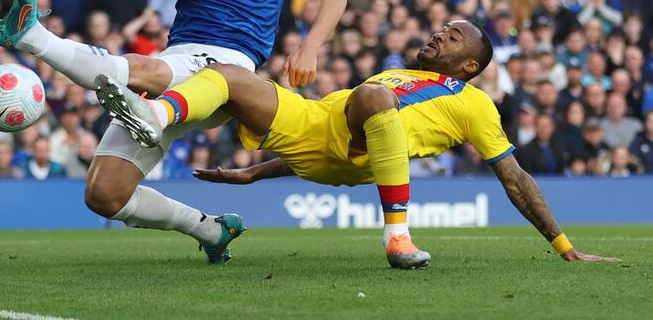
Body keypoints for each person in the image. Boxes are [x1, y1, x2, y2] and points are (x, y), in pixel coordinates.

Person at [0, 0, 346, 263]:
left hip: (230, 71)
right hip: (180, 59)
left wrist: (309, 47)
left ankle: (32, 35)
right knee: (104, 195)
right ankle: (210, 229)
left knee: (144, 70)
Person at [97, 20, 619, 268]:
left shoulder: (475, 104)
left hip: (362, 153)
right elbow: (326, 144)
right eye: (441, 28)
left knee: (371, 98)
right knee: (229, 75)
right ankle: (154, 112)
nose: (439, 34)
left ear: (470, 67)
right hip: (313, 128)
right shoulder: (397, 72)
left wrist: (565, 247)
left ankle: (398, 239)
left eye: (454, 37)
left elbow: (515, 177)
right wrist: (256, 173)